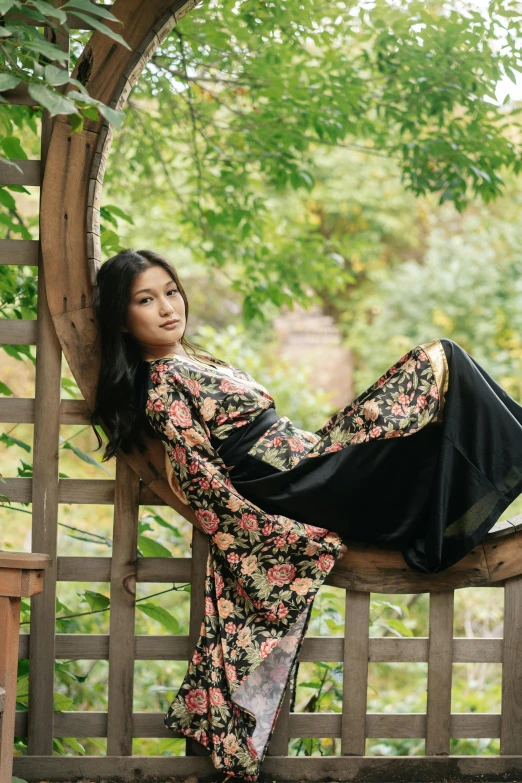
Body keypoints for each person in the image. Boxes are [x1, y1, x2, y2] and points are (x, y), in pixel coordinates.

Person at [91, 248, 522, 781]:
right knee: (438, 359)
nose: (166, 308)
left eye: (171, 292)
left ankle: (482, 483)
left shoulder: (195, 362)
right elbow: (205, 484)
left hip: (306, 458)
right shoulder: (160, 387)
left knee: (430, 414)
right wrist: (280, 534)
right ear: (121, 317)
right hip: (293, 484)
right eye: (145, 300)